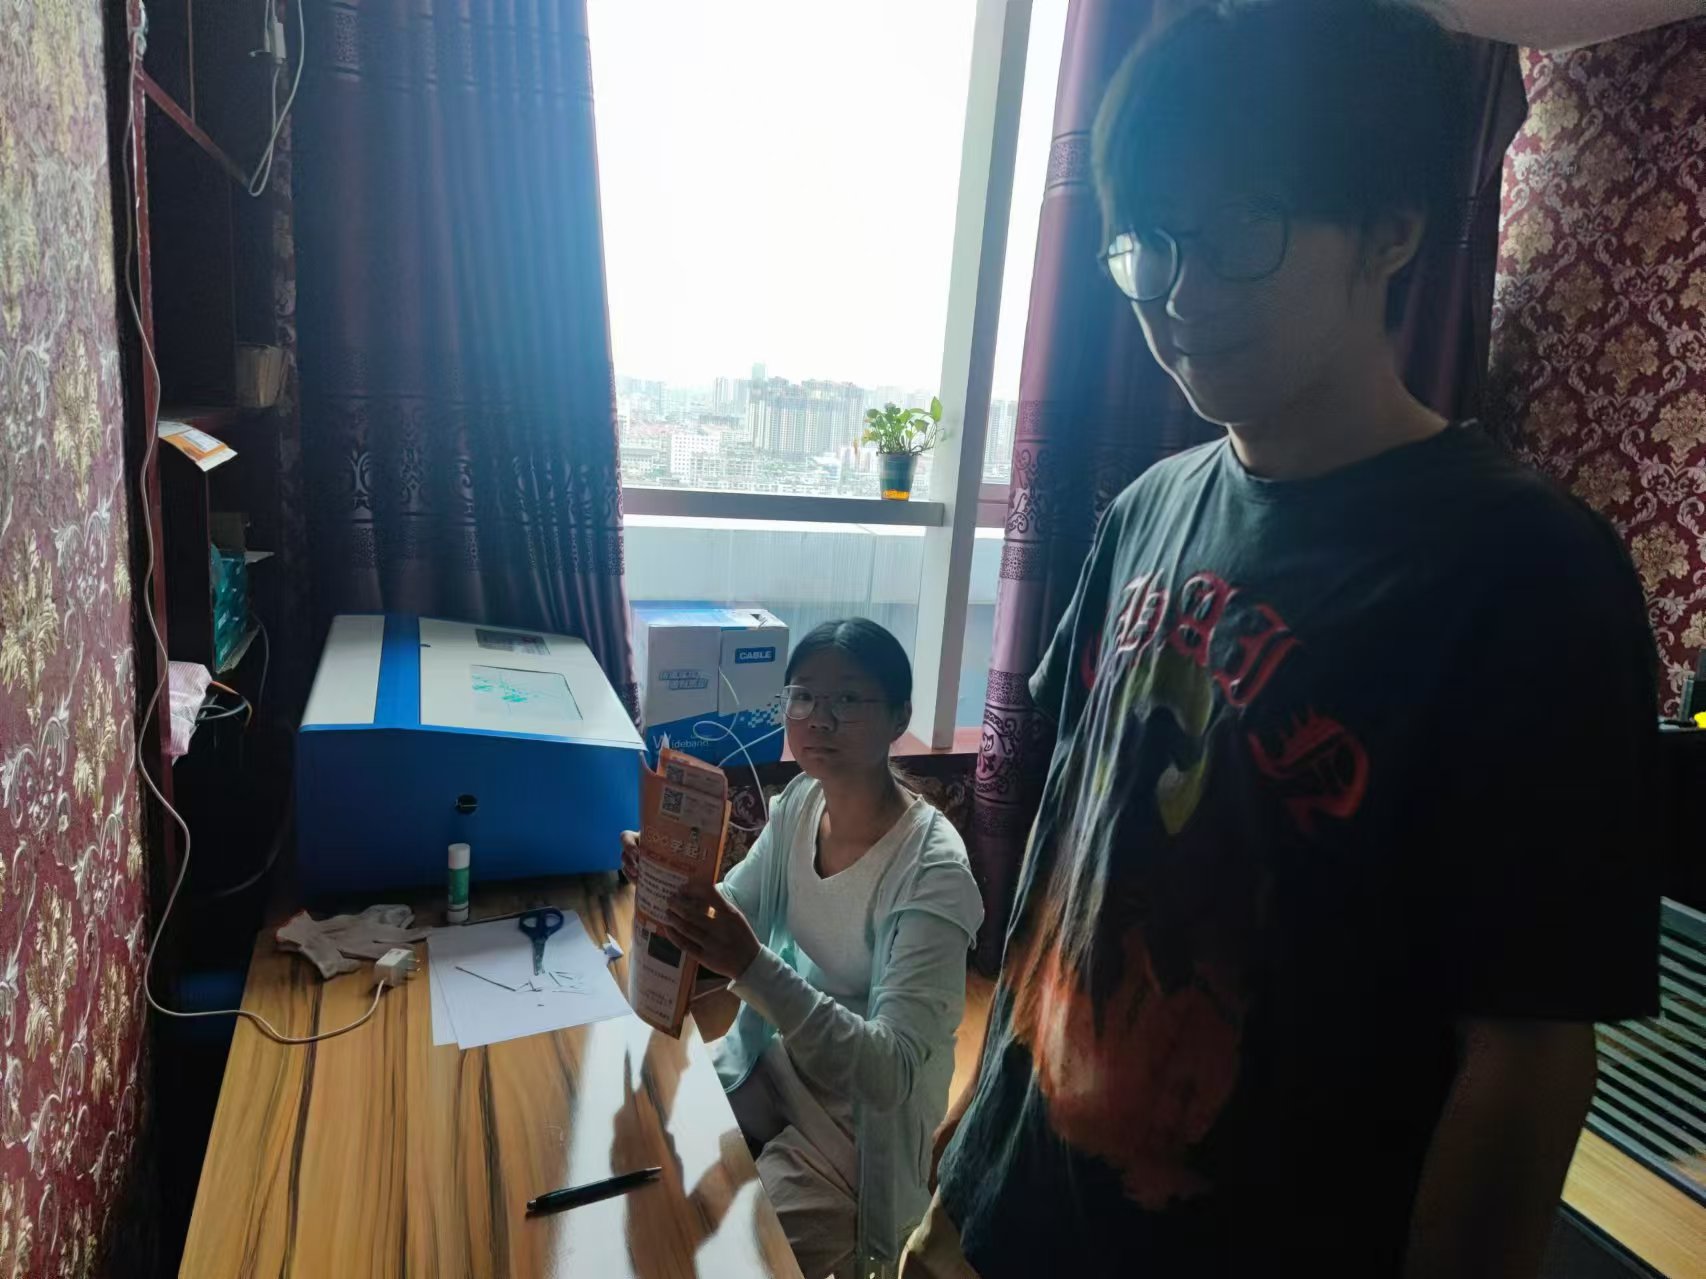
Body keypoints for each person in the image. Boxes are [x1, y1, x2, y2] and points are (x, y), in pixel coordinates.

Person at [907, 3, 1659, 1276]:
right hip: (1000, 1212)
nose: (1180, 295)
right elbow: (1069, 848)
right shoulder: (1149, 508)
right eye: (1147, 245)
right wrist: (980, 1114)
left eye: (1240, 233)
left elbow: (1525, 1050)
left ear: (1391, 228)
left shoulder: (1524, 571)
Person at [624, 618, 983, 1278]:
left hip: (854, 1135)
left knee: (729, 1258)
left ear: (899, 716)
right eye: (804, 695)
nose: (820, 717)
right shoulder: (799, 803)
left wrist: (748, 963)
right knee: (649, 1176)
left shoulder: (932, 871)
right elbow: (735, 906)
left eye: (848, 698)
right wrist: (666, 879)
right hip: (771, 1067)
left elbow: (889, 1074)